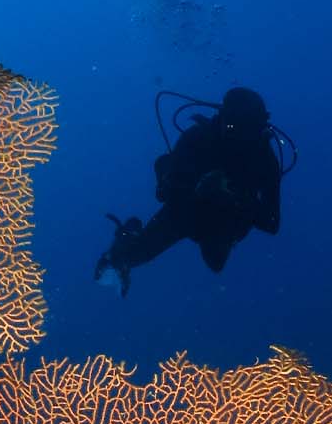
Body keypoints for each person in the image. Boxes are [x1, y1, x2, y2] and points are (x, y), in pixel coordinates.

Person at [94, 87, 282, 295]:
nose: (238, 138)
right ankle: (124, 244)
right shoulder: (199, 138)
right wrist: (200, 187)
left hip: (229, 219)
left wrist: (236, 196)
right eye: (232, 126)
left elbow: (272, 222)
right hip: (187, 210)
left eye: (246, 129)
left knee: (216, 264)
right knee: (135, 254)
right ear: (221, 118)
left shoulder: (263, 158)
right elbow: (164, 194)